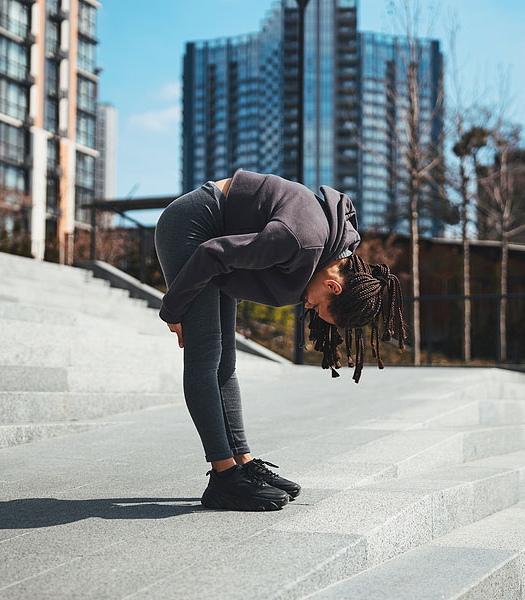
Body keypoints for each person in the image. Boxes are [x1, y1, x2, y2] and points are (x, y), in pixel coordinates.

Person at [154, 168, 406, 512]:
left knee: (226, 361)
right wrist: (173, 309)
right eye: (319, 307)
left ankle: (242, 463)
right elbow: (213, 253)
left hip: (220, 238)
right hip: (192, 226)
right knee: (205, 355)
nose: (309, 306)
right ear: (334, 286)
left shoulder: (335, 249)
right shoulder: (301, 242)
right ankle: (224, 478)